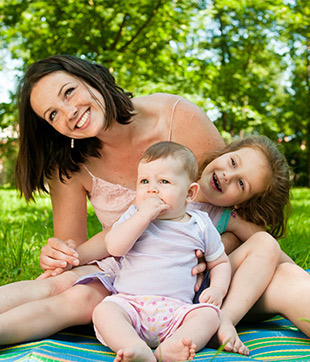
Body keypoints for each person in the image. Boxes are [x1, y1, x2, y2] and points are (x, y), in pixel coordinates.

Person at [0, 54, 307, 352]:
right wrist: (61, 254)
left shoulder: (177, 117)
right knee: (61, 288)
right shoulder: (67, 163)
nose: (67, 112)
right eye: (52, 114)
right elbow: (79, 253)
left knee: (285, 277)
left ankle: (218, 322)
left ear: (93, 78)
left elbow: (241, 215)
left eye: (69, 92)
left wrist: (207, 253)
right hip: (126, 274)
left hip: (199, 281)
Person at [92, 141, 231, 362]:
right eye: (144, 181)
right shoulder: (134, 216)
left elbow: (220, 262)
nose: (152, 189)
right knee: (104, 312)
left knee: (208, 315)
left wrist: (217, 290)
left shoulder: (200, 224)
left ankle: (172, 347)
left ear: (189, 193)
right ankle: (134, 348)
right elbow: (114, 247)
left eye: (164, 181)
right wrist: (142, 216)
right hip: (130, 305)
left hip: (176, 311)